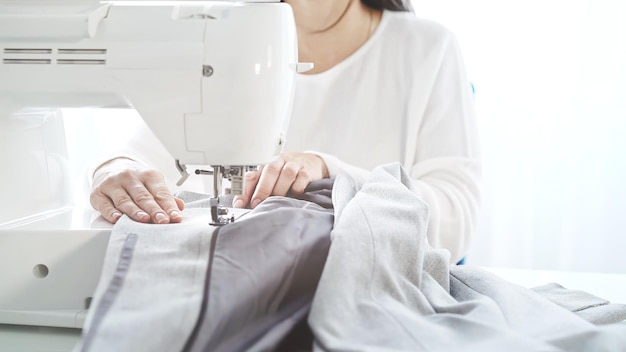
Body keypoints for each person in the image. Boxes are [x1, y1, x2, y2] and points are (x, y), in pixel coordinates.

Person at [90, 0, 481, 263]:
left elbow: (454, 222)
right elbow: (141, 153)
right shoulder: (227, 39)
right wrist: (115, 171)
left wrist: (331, 172)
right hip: (247, 284)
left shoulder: (427, 49)